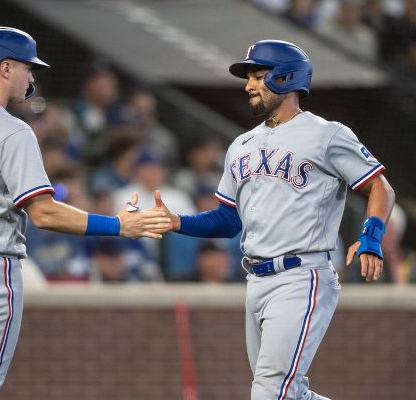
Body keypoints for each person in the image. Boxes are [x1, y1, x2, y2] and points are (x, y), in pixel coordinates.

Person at [0, 26, 170, 400]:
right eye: (28, 67)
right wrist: (118, 225)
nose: (31, 77)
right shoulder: (12, 131)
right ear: (4, 67)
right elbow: (44, 214)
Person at [151, 40, 395, 399]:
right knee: (288, 392)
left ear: (287, 77)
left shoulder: (326, 134)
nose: (249, 84)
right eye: (249, 77)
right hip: (257, 280)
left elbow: (380, 187)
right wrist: (179, 222)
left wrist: (371, 236)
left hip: (301, 274)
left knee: (270, 390)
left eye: (258, 75)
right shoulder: (242, 144)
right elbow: (228, 219)